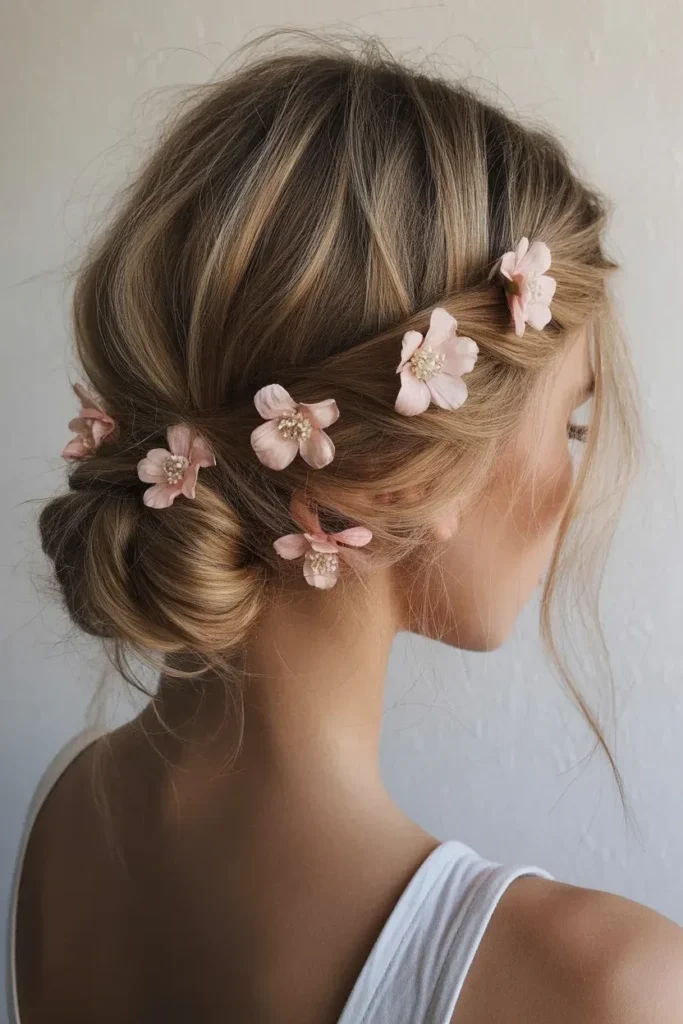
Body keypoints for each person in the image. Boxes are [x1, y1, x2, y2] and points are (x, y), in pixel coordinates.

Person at [10, 39, 683, 1024]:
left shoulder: (70, 815)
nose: (571, 491)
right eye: (569, 425)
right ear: (407, 468)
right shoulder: (596, 987)